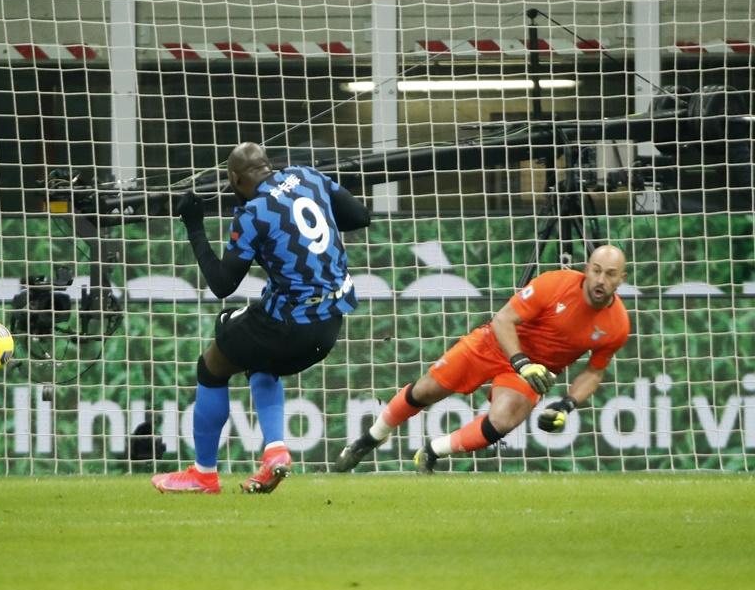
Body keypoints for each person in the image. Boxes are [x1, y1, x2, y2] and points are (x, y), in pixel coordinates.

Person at [152, 142, 370, 494]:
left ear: (235, 179)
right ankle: (274, 452)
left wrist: (194, 226)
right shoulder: (308, 177)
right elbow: (360, 217)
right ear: (269, 166)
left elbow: (222, 283)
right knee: (256, 355)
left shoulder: (253, 214)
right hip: (330, 323)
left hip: (292, 323)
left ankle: (203, 474)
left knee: (212, 365)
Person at [335, 245, 631, 474]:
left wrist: (567, 403)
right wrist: (521, 361)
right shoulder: (554, 284)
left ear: (622, 279)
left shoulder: (617, 325)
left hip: (530, 371)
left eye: (610, 274)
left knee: (502, 422)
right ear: (586, 269)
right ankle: (372, 438)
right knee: (427, 390)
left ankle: (432, 452)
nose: (600, 279)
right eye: (596, 270)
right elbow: (503, 320)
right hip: (494, 344)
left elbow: (594, 371)